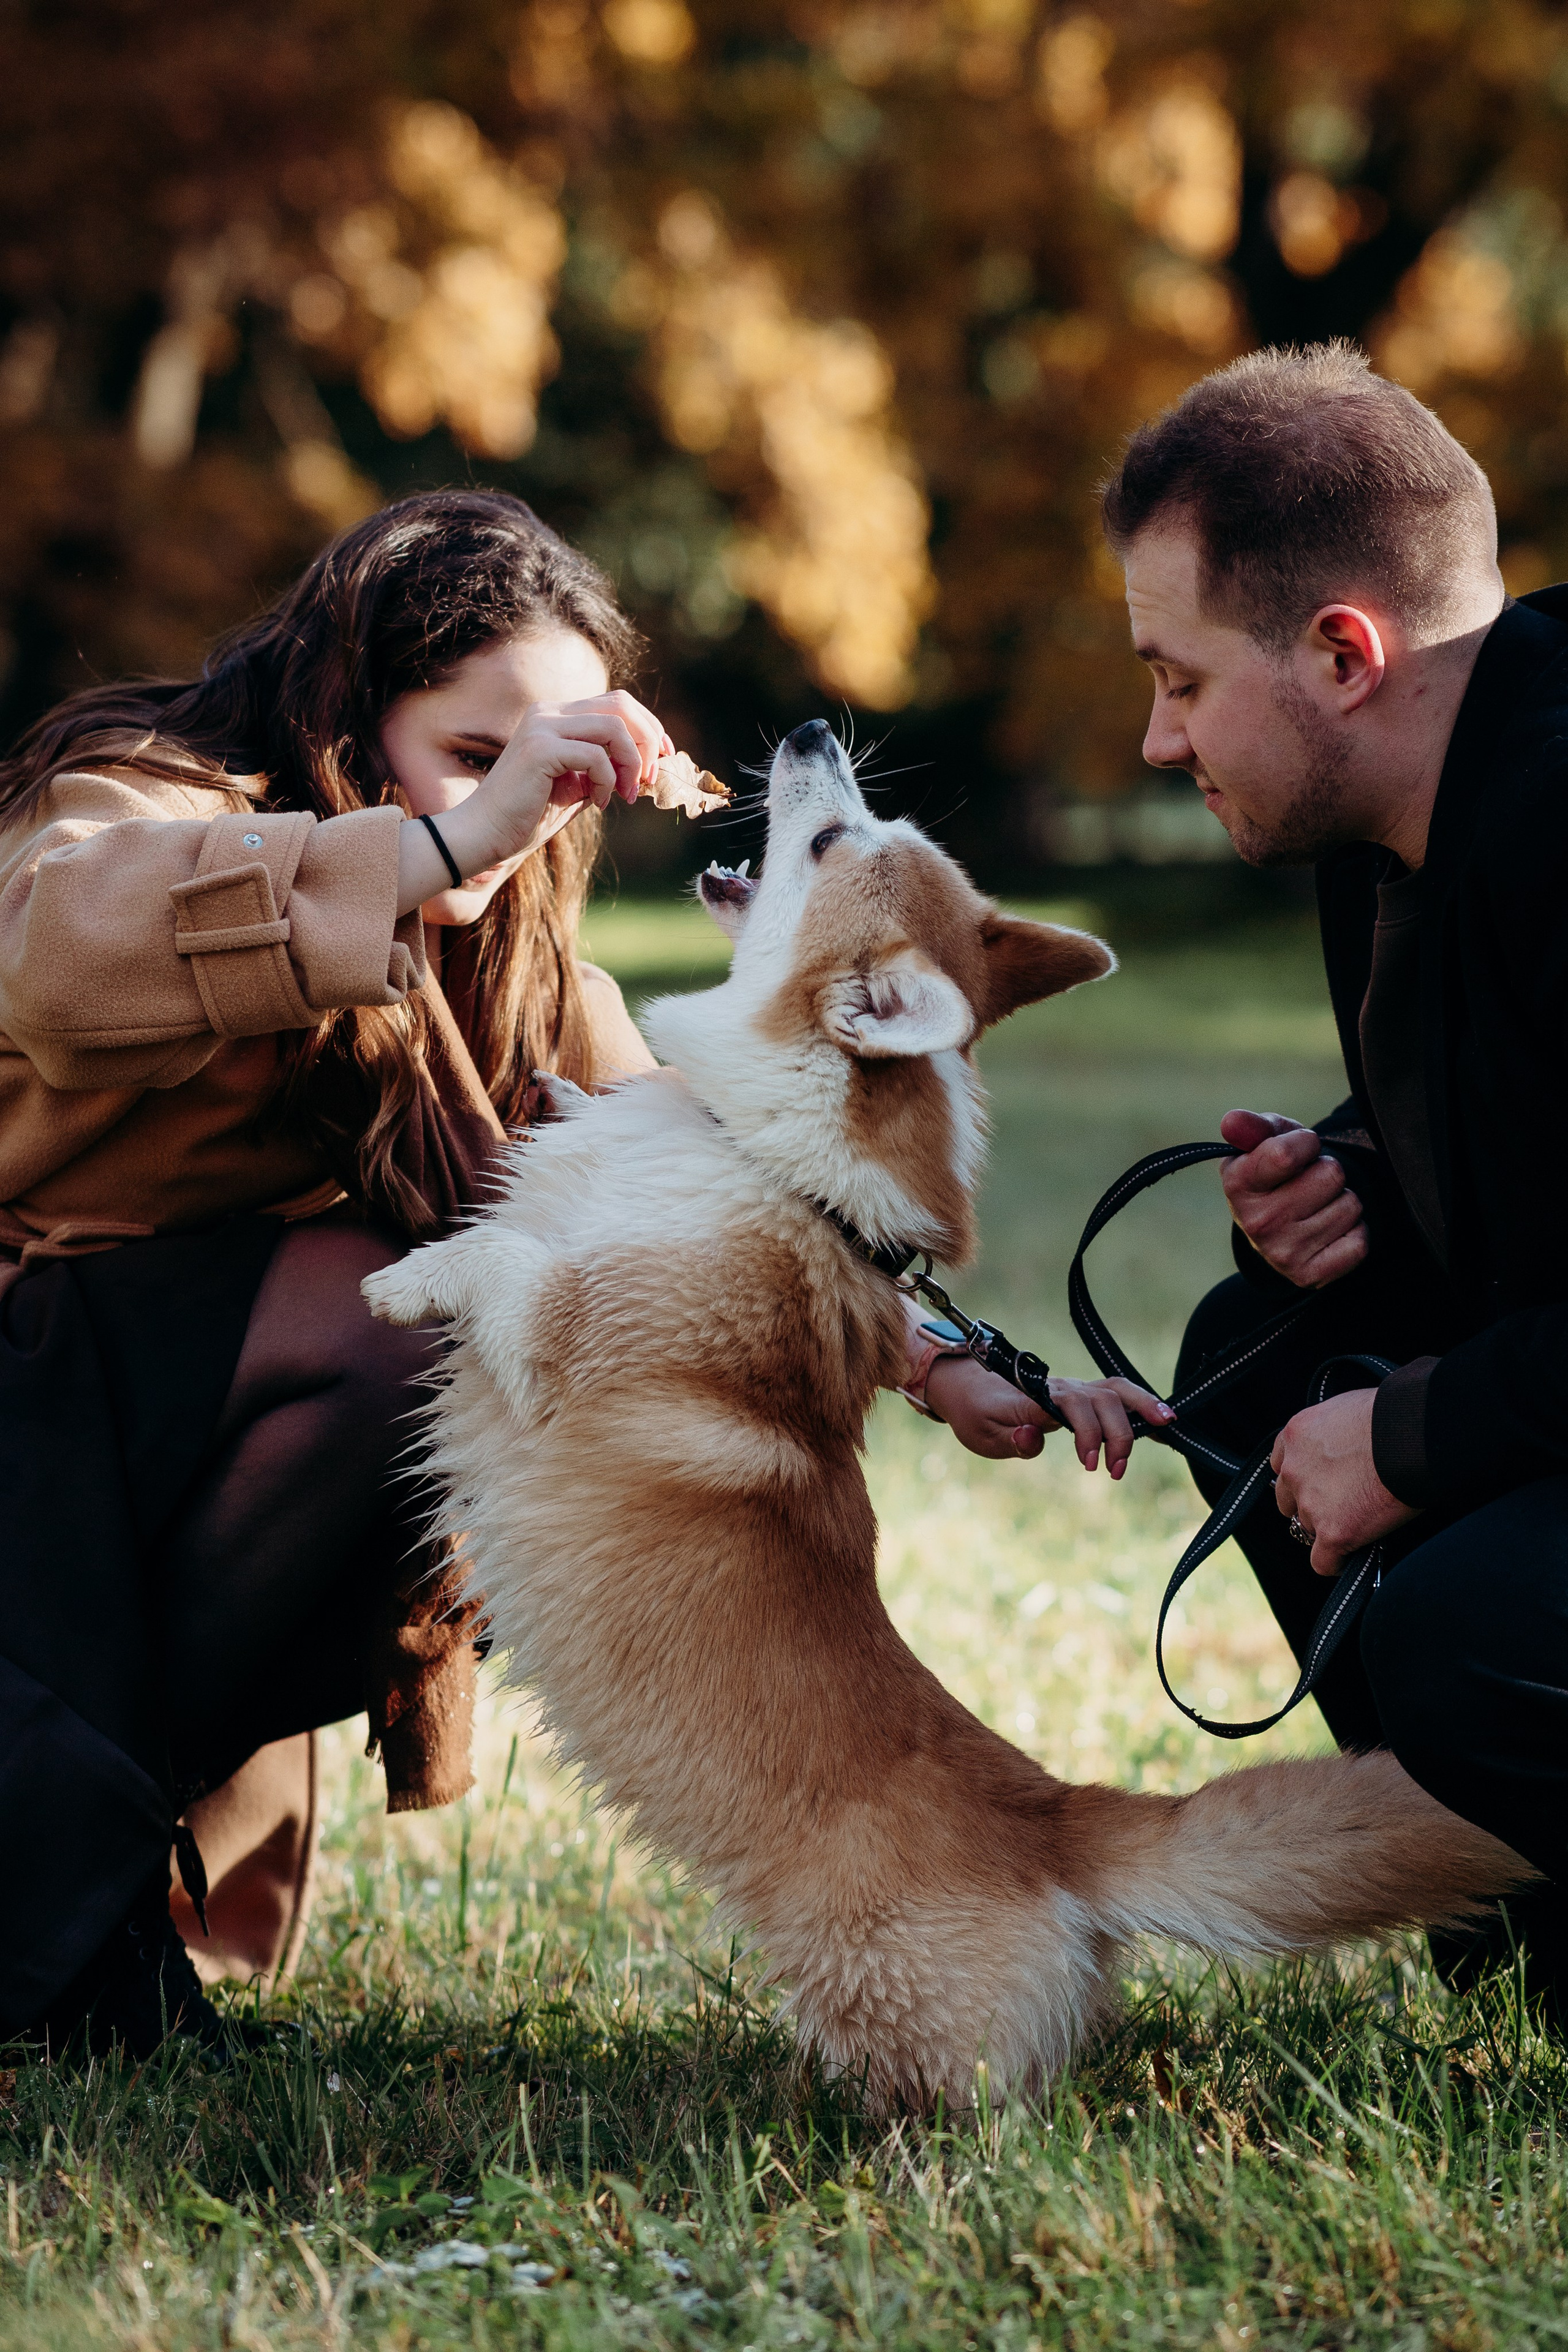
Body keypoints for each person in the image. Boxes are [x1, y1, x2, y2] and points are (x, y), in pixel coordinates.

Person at [0, 485, 1151, 2062]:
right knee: (400, 1319)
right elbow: (50, 963)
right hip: (31, 1397)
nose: (518, 808)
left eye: (540, 772)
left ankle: (70, 1873)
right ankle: (64, 1893)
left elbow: (710, 1181)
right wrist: (443, 843)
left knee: (495, 1413)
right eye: (472, 755)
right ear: (349, 707)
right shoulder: (135, 791)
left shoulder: (517, 950)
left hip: (174, 1442)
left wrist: (957, 1363)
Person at [1101, 340, 1568, 2007]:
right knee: (1254, 1351)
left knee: (1472, 1631)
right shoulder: (1392, 809)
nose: (1161, 738)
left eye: (1179, 679)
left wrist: (1419, 1439)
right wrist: (1369, 1171)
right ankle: (1523, 1939)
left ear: (1343, 652)